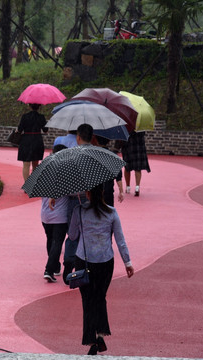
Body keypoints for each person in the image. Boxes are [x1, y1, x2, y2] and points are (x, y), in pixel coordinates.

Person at [68, 183, 134, 355]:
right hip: (105, 261)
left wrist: (78, 217)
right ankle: (100, 332)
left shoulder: (79, 210)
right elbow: (120, 240)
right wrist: (128, 262)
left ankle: (91, 339)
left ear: (87, 193)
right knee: (100, 297)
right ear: (103, 192)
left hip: (84, 260)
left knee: (87, 299)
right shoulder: (111, 212)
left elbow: (73, 236)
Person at [62, 124, 93, 284]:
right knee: (87, 234)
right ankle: (85, 265)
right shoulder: (96, 156)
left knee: (72, 234)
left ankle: (69, 261)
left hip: (74, 200)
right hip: (91, 200)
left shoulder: (72, 156)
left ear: (78, 137)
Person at [41, 144, 68, 282]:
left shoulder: (45, 170)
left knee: (50, 240)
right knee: (57, 242)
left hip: (45, 214)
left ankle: (55, 266)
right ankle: (49, 269)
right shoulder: (65, 172)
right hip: (60, 215)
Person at [17, 103, 48, 182]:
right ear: (39, 106)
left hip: (26, 140)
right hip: (37, 140)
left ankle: (26, 185)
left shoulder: (24, 116)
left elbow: (19, 130)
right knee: (35, 163)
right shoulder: (41, 117)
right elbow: (45, 130)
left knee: (26, 164)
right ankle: (33, 184)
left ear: (29, 106)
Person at [95, 135, 124, 206]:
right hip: (108, 191)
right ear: (108, 141)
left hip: (95, 192)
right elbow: (118, 176)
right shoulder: (112, 156)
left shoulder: (93, 155)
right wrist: (121, 191)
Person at [121, 131, 151, 197]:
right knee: (138, 167)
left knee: (127, 167)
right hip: (139, 146)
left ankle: (128, 187)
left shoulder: (127, 123)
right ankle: (137, 187)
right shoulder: (141, 125)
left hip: (128, 145)